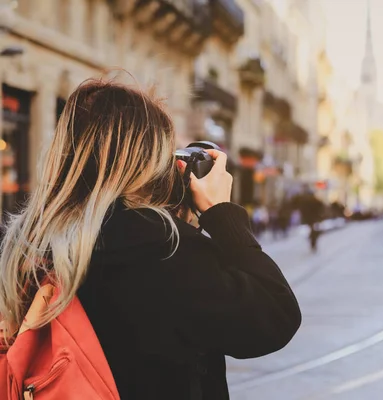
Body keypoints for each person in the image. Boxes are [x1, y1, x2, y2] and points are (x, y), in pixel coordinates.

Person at [0, 79, 301, 399]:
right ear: (148, 162)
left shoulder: (29, 241)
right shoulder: (159, 249)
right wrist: (221, 212)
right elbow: (274, 314)